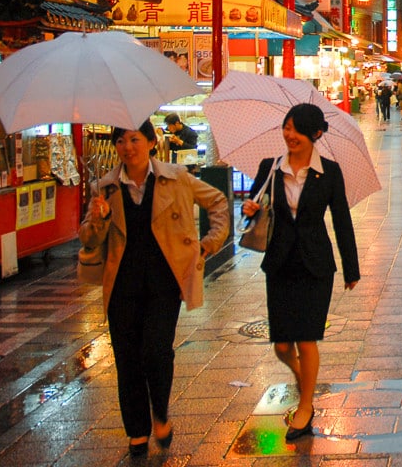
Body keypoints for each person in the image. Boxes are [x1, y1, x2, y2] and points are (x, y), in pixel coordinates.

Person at [78, 120, 230, 457]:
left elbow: (218, 202)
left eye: (134, 139)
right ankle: (136, 430)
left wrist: (208, 244)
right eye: (120, 141)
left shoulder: (176, 178)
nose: (127, 147)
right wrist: (98, 218)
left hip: (163, 283)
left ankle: (159, 412)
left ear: (150, 142)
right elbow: (88, 239)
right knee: (127, 359)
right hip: (121, 286)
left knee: (156, 351)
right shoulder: (106, 187)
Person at [241, 103, 360, 442]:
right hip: (278, 263)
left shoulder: (330, 172)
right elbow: (256, 213)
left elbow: (341, 220)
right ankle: (303, 377)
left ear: (315, 134)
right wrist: (250, 209)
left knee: (306, 339)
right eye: (286, 128)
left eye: (296, 129)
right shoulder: (270, 168)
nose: (288, 135)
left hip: (315, 264)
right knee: (281, 345)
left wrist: (351, 268)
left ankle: (305, 407)